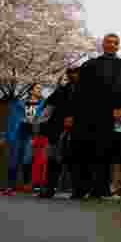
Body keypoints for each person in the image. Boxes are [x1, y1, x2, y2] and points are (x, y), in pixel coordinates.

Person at [71, 33, 121, 200]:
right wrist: (73, 114)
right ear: (103, 44)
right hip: (88, 115)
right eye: (108, 42)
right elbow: (78, 92)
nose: (111, 45)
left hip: (111, 116)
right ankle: (81, 188)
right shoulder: (89, 65)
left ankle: (100, 188)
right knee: (85, 151)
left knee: (105, 153)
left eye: (115, 43)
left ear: (118, 46)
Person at [38, 67, 80, 198]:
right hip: (57, 130)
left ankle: (77, 190)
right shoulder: (61, 90)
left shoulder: (85, 91)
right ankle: (49, 188)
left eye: (76, 73)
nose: (74, 76)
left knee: (75, 161)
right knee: (53, 160)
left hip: (77, 131)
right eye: (71, 73)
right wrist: (42, 124)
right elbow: (47, 108)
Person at [0, 89, 35, 195]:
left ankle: (25, 185)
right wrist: (4, 136)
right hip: (16, 136)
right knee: (14, 161)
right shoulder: (14, 106)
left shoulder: (32, 105)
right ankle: (11, 186)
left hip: (26, 136)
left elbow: (32, 121)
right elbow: (8, 122)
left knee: (26, 161)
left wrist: (33, 137)